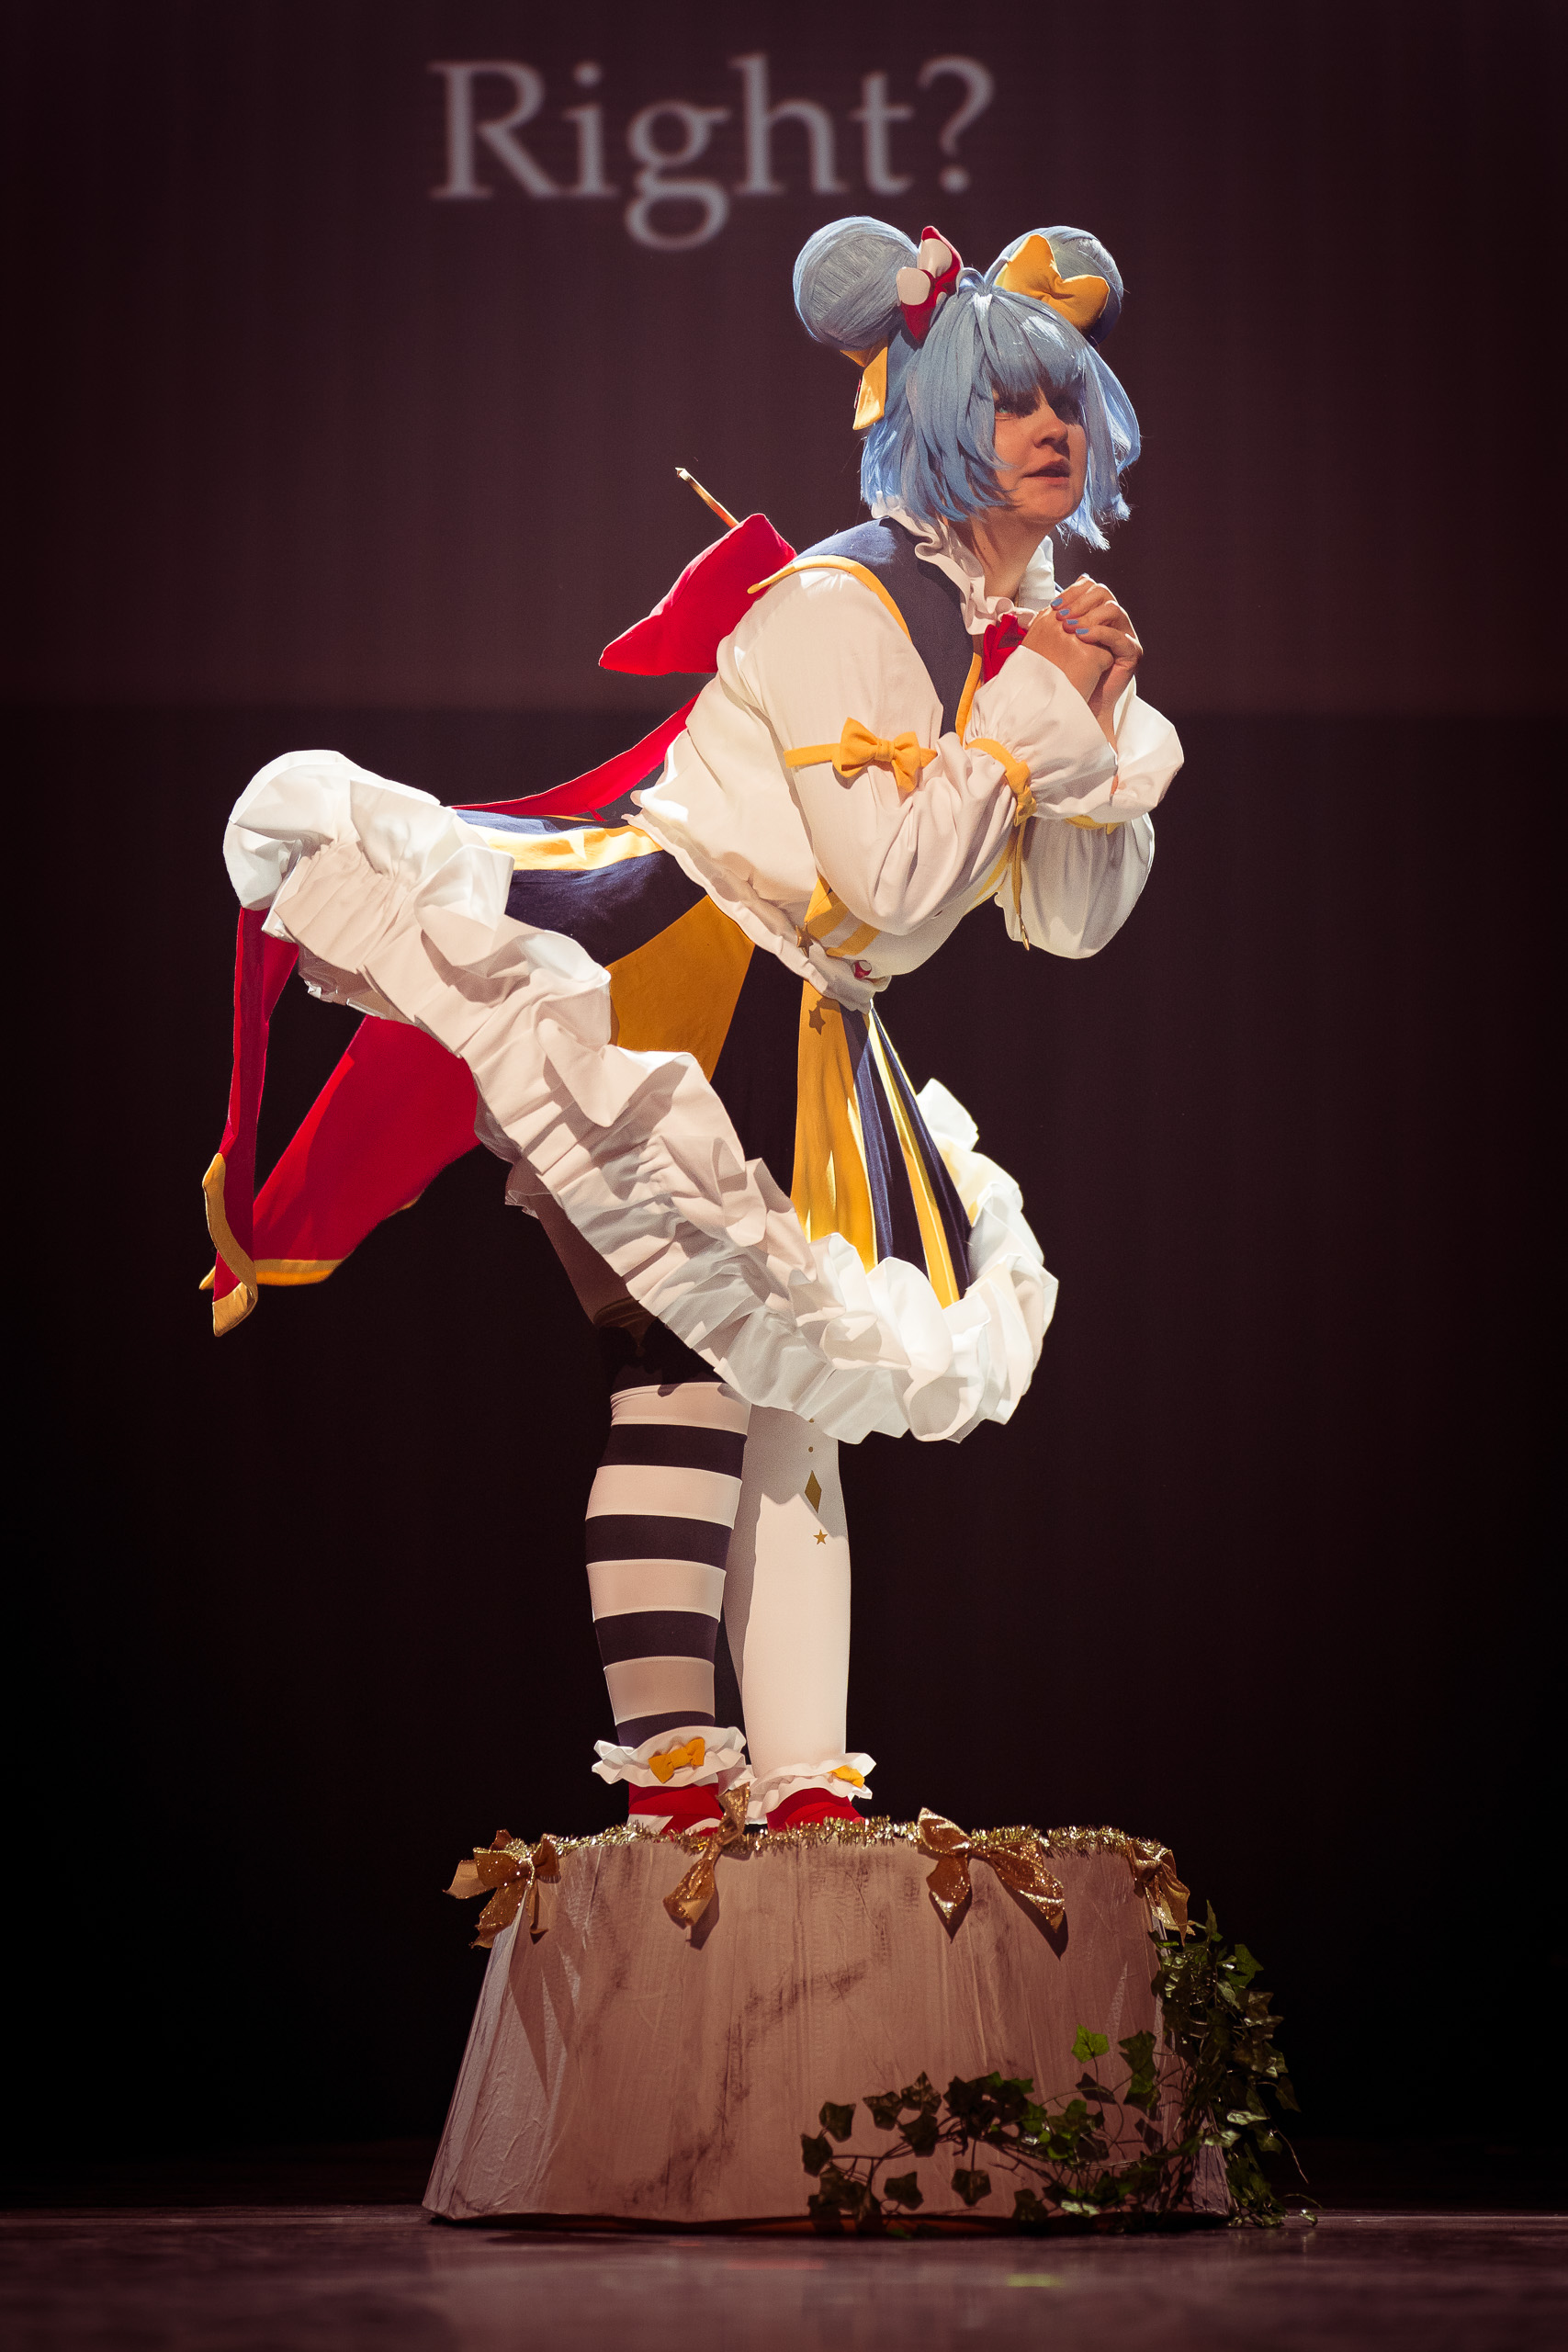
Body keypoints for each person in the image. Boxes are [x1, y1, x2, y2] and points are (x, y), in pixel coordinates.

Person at [208, 217, 1182, 1839]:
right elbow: (884, 876)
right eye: (1009, 399)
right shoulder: (842, 603)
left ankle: (800, 1790)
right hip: (679, 974)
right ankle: (674, 1780)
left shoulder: (1019, 641)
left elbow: (1067, 923)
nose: (1049, 428)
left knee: (799, 1407)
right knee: (687, 1376)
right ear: (933, 414)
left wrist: (1087, 725)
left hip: (816, 1026)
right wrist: (1028, 725)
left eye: (1066, 399)